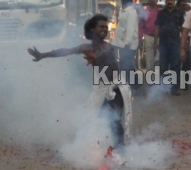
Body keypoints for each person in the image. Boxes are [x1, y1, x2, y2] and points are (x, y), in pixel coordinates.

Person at [28, 15, 132, 148]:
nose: (104, 30)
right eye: (101, 26)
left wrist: (96, 61)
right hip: (101, 89)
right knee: (92, 117)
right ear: (92, 29)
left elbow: (111, 71)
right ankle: (100, 145)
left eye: (106, 27)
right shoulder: (86, 47)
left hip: (116, 88)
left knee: (113, 118)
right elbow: (65, 51)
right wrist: (43, 55)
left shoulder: (109, 48)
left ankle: (120, 149)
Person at [155, 0, 185, 95]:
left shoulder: (180, 13)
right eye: (168, 0)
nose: (170, 2)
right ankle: (162, 88)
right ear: (165, 1)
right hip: (163, 43)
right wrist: (156, 41)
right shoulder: (161, 13)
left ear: (174, 1)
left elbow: (183, 29)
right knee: (163, 66)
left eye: (172, 0)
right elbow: (158, 27)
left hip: (175, 43)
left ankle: (174, 88)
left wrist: (184, 44)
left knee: (175, 66)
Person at [111, 0, 140, 92]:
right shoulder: (123, 11)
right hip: (121, 43)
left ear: (123, 2)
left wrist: (127, 43)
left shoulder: (131, 13)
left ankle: (133, 87)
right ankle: (132, 85)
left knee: (127, 66)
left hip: (128, 45)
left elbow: (130, 30)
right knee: (126, 65)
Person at [139, 0, 159, 71]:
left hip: (160, 38)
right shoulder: (145, 12)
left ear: (157, 1)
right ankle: (150, 78)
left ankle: (159, 78)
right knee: (149, 58)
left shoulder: (161, 12)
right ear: (149, 1)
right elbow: (141, 26)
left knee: (159, 58)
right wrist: (140, 39)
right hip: (148, 37)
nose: (153, 0)